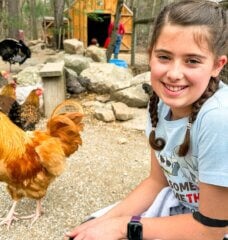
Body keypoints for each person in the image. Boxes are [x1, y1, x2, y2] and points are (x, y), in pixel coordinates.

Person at [65, 1, 228, 239]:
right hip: (182, 207)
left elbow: (212, 228)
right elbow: (157, 181)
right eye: (164, 57)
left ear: (216, 65)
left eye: (192, 60)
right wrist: (101, 222)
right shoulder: (160, 105)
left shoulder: (218, 119)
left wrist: (122, 227)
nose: (174, 73)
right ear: (150, 54)